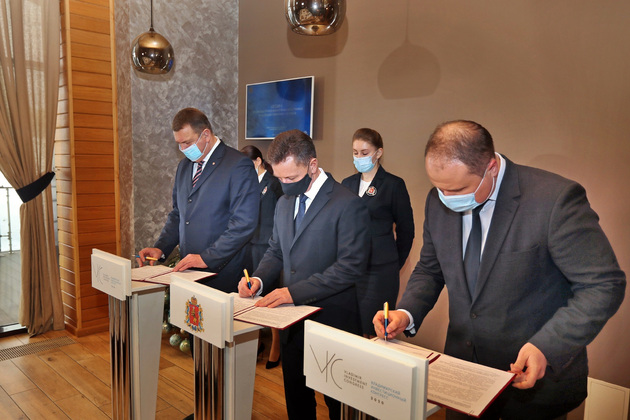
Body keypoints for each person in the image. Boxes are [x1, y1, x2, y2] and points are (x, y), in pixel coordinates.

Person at [373, 120, 626, 420]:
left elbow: (603, 285)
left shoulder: (554, 200)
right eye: (439, 188)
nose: (447, 199)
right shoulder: (437, 201)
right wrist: (406, 313)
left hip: (532, 387)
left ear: (491, 168)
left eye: (458, 189)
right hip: (463, 378)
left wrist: (547, 347)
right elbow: (430, 269)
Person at [237, 129, 370, 420]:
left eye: (291, 178)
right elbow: (276, 250)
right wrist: (257, 279)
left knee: (339, 406)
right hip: (291, 323)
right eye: (279, 178)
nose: (284, 185)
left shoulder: (347, 203)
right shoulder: (284, 202)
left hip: (332, 319)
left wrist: (293, 292)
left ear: (312, 165)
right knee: (297, 400)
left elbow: (350, 267)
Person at [137, 108, 259, 293]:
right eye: (179, 144)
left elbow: (243, 223)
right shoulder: (184, 166)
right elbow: (179, 214)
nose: (183, 149)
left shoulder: (238, 165)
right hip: (189, 273)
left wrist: (206, 258)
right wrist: (161, 248)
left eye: (187, 142)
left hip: (224, 275)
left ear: (206, 135)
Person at [341, 128, 415, 336]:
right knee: (350, 328)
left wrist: (392, 262)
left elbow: (406, 230)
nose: (359, 157)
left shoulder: (393, 184)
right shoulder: (347, 184)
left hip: (380, 272)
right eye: (355, 153)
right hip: (350, 269)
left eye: (365, 153)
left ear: (378, 153)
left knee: (375, 330)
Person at [240, 145, 284, 369]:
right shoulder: (247, 184)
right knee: (251, 294)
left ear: (258, 161)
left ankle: (276, 344)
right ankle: (255, 341)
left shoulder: (274, 183)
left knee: (270, 295)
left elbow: (282, 216)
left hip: (269, 247)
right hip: (249, 245)